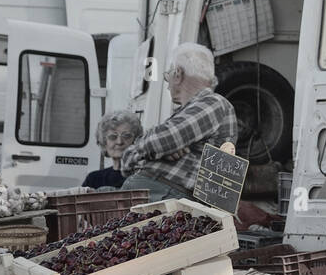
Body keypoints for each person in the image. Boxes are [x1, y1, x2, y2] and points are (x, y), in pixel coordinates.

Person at [120, 44, 239, 201]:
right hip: (162, 193)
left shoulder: (213, 102)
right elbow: (126, 161)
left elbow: (161, 141)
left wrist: (149, 149)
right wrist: (157, 150)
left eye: (168, 75)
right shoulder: (190, 111)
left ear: (178, 74)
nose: (168, 84)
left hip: (167, 194)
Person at [83, 110, 142, 189]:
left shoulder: (142, 177)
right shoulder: (93, 179)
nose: (119, 142)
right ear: (104, 142)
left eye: (126, 136)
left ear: (136, 140)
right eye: (113, 137)